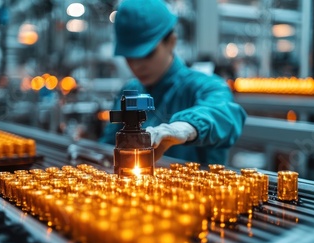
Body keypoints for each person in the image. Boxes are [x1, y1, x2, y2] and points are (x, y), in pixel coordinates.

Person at [99, 0, 246, 164]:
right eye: (130, 57)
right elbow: (107, 147)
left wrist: (184, 128)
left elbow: (223, 114)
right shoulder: (130, 91)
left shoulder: (207, 86)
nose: (137, 65)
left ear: (171, 42)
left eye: (147, 54)